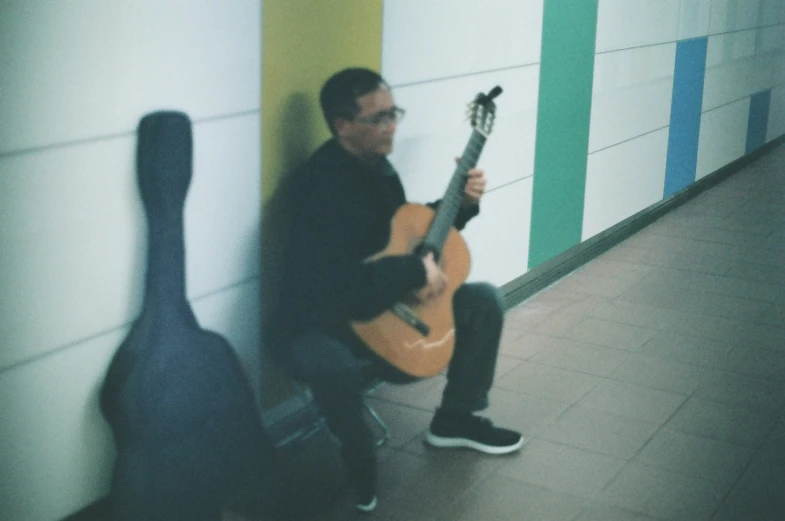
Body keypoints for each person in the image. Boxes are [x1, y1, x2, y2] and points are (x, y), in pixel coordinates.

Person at [274, 67, 523, 513]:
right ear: (342, 126)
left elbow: (402, 235)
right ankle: (359, 460)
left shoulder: (378, 167)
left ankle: (455, 419)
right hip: (325, 321)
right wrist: (411, 271)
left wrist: (461, 205)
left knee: (484, 300)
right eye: (379, 118)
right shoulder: (321, 186)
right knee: (327, 361)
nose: (392, 125)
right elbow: (334, 284)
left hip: (384, 306)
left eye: (394, 113)